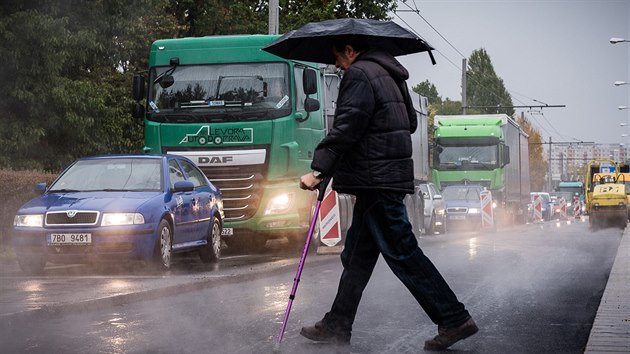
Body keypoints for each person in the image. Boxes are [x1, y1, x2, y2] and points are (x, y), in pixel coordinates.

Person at [298, 36, 478, 351]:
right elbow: (409, 122)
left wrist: (318, 170)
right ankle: (337, 324)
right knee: (356, 257)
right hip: (383, 179)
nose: (337, 66)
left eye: (338, 58)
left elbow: (348, 126)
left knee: (403, 253)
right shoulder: (393, 75)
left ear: (350, 51)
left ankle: (453, 317)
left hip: (376, 180)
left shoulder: (359, 74)